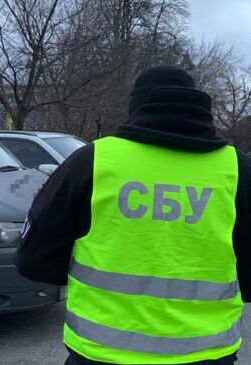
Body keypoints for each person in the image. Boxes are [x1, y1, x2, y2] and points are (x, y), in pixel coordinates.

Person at [14, 65, 249, 365]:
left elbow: (33, 261)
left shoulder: (92, 162)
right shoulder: (238, 171)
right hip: (207, 355)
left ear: (136, 107)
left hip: (101, 353)